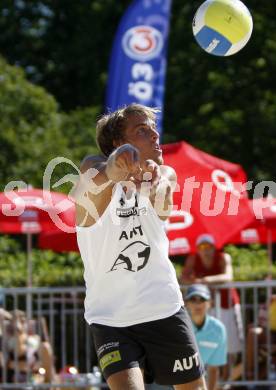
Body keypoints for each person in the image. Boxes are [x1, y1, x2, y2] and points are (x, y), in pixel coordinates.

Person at [74, 104, 206, 390]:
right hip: (111, 318)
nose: (155, 135)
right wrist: (116, 167)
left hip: (164, 309)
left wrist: (152, 185)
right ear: (118, 143)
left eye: (154, 128)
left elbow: (164, 194)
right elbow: (96, 175)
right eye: (142, 130)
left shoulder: (163, 173)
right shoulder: (93, 171)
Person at [181, 234, 243, 378]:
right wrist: (198, 282)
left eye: (209, 246)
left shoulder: (223, 257)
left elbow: (228, 276)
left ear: (214, 247)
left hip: (227, 304)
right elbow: (183, 278)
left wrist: (204, 280)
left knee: (230, 346)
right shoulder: (192, 258)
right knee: (210, 346)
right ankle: (214, 381)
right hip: (207, 307)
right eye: (202, 246)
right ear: (197, 249)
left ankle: (228, 381)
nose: (206, 250)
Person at [185, 284, 227, 390]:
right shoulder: (176, 327)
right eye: (193, 299)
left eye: (202, 299)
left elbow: (213, 368)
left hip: (196, 382)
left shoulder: (218, 329)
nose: (198, 304)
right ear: (186, 303)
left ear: (210, 303)